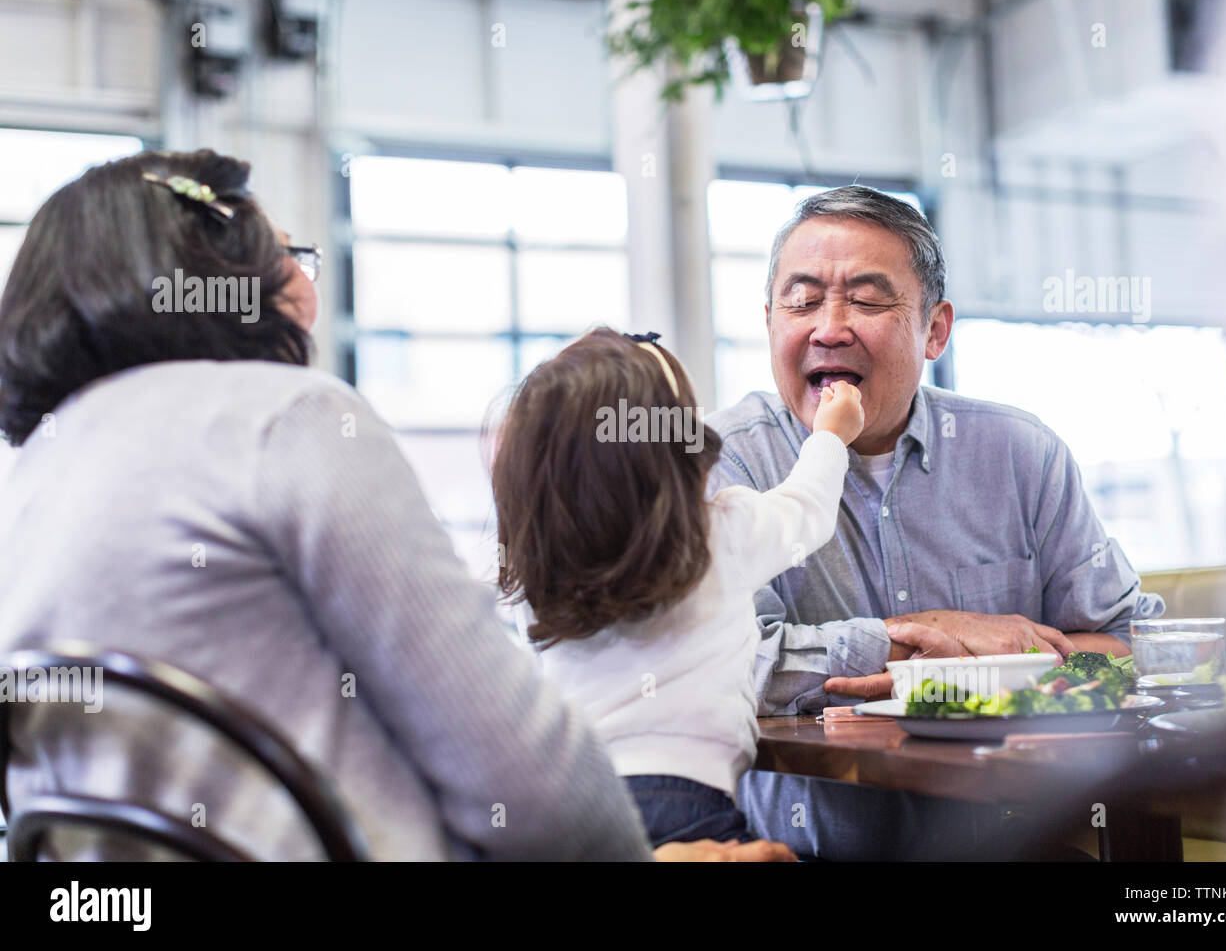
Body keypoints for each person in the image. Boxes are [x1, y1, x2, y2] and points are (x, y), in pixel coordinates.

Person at [0, 148, 787, 861]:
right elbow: (530, 782)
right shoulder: (286, 418)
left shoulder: (33, 479)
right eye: (290, 255)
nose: (305, 283)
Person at [706, 184, 1166, 859]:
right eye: (801, 300)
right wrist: (924, 640)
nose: (828, 327)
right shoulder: (722, 462)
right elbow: (732, 665)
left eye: (866, 299)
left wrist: (986, 672)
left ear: (935, 330)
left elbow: (1131, 645)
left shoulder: (1020, 453)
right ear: (771, 320)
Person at [492, 327, 874, 848]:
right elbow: (809, 508)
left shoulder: (532, 570)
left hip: (571, 810)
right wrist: (831, 435)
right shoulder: (720, 532)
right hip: (688, 809)